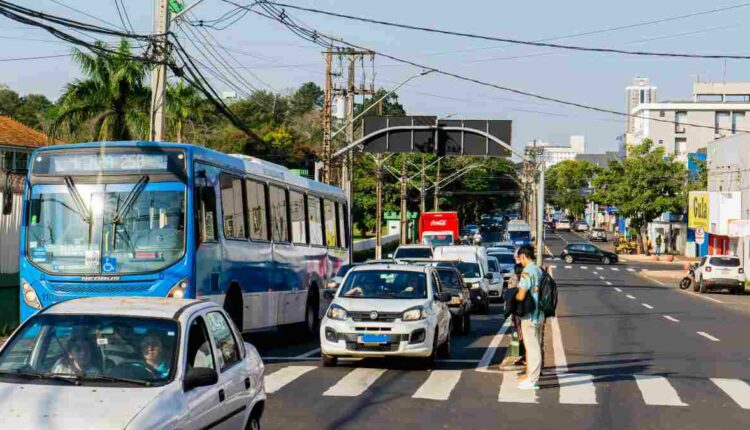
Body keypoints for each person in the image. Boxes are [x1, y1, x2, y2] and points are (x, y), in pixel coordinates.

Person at [514, 245, 544, 390]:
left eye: (520, 259)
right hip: (539, 314)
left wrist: (514, 297)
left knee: (532, 349)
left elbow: (521, 294)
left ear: (524, 257)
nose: (520, 262)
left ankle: (533, 380)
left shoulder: (526, 272)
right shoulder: (538, 270)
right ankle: (531, 376)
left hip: (529, 315)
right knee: (535, 346)